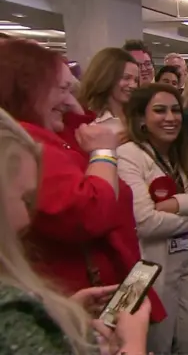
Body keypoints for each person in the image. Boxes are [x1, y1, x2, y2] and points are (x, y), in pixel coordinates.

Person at [0, 38, 166, 323]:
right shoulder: (25, 144)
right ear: (30, 88)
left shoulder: (51, 134)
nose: (69, 100)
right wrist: (104, 150)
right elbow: (87, 211)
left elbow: (81, 129)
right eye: (62, 89)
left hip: (114, 287)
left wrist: (71, 108)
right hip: (85, 297)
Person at [0, 106, 151, 355]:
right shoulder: (10, 314)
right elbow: (92, 210)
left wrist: (57, 316)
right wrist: (132, 346)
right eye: (26, 200)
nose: (30, 218)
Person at [118, 84, 188, 354]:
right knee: (156, 344)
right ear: (141, 118)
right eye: (159, 110)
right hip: (144, 268)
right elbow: (145, 222)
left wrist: (177, 203)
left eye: (175, 110)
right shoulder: (128, 154)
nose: (170, 117)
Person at [78, 47, 139, 136]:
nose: (133, 85)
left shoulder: (139, 118)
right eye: (126, 78)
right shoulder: (91, 122)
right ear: (106, 77)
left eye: (136, 80)